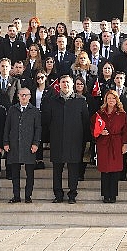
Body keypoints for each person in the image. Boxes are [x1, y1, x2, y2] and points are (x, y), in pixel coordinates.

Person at [41, 75, 90, 204]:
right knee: (57, 170)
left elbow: (85, 123)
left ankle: (72, 194)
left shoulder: (81, 100)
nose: (65, 85)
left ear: (72, 84)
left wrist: (84, 141)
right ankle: (58, 194)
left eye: (68, 82)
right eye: (63, 82)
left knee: (73, 170)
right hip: (57, 140)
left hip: (75, 142)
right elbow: (47, 122)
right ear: (59, 85)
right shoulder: (52, 101)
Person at [3, 88, 41, 203]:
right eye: (21, 95)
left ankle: (28, 196)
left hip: (29, 146)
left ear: (30, 96)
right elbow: (7, 127)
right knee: (15, 174)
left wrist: (36, 143)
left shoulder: (34, 111)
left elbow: (38, 128)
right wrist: (6, 142)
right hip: (14, 145)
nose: (23, 97)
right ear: (18, 96)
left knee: (30, 174)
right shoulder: (12, 109)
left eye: (26, 95)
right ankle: (16, 196)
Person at [93, 90, 127, 203]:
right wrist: (99, 132)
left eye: (113, 98)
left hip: (117, 143)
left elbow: (125, 130)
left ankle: (113, 195)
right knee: (105, 170)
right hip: (104, 143)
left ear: (117, 100)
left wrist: (124, 144)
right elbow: (93, 127)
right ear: (106, 99)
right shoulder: (100, 113)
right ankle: (105, 195)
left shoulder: (122, 114)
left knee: (115, 170)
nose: (111, 100)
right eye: (109, 98)